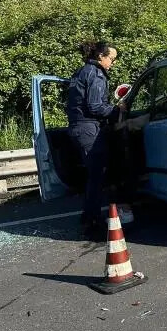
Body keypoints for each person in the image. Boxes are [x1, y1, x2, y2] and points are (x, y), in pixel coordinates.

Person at [66, 40, 125, 237]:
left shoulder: (81, 72)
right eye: (111, 58)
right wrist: (118, 110)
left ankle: (87, 217)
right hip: (89, 130)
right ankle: (92, 223)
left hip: (78, 128)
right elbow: (96, 107)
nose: (113, 63)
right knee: (97, 178)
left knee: (93, 177)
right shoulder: (96, 74)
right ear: (101, 56)